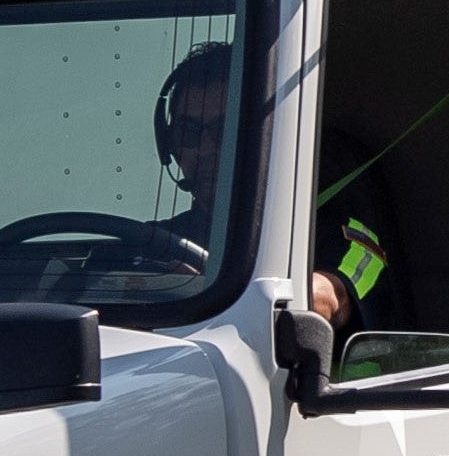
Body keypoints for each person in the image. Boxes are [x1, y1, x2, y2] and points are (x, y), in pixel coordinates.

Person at [151, 43, 379, 328]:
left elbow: (328, 299)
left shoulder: (349, 241)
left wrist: (205, 290)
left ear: (262, 139)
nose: (206, 149)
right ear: (168, 145)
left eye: (225, 130)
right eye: (190, 133)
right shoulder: (152, 243)